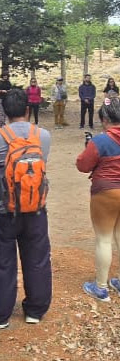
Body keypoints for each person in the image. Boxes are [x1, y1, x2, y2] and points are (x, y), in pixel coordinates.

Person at [0, 89, 52, 328]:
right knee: (37, 259)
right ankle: (35, 310)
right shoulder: (43, 135)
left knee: (1, 262)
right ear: (27, 109)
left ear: (4, 111)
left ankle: (0, 314)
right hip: (36, 208)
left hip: (4, 209)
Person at [77, 96, 120, 301]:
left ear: (104, 119)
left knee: (104, 239)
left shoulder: (100, 140)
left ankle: (101, 288)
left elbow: (83, 166)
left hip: (105, 192)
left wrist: (88, 147)